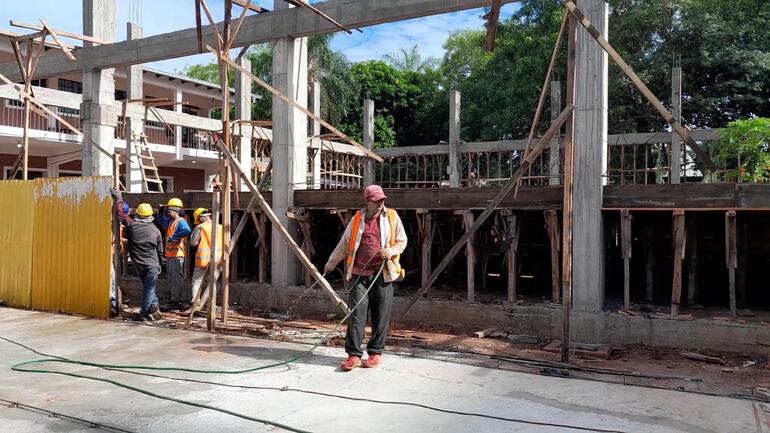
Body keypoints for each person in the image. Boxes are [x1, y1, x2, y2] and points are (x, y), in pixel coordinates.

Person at [324, 185, 407, 371]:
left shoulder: (392, 217)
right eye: (376, 201)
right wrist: (330, 264)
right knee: (357, 315)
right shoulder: (357, 219)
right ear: (367, 201)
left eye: (382, 200)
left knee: (381, 314)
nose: (380, 204)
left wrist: (390, 251)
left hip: (383, 273)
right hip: (359, 274)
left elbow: (402, 241)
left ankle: (375, 352)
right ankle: (353, 355)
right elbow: (344, 245)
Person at [111, 189, 164, 321]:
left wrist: (119, 197)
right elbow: (160, 250)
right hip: (152, 264)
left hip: (139, 263)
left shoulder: (132, 225)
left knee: (148, 288)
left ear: (138, 214)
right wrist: (161, 262)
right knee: (149, 288)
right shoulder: (155, 230)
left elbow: (122, 214)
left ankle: (150, 309)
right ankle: (148, 310)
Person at [188, 207, 223, 310]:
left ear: (201, 218)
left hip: (202, 260)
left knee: (197, 281)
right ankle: (211, 304)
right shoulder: (221, 227)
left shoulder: (200, 227)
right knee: (213, 281)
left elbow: (193, 243)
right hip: (218, 260)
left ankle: (196, 304)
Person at [163, 198, 191, 309]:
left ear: (176, 211)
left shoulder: (181, 221)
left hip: (176, 255)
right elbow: (162, 220)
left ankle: (177, 300)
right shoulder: (171, 221)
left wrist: (174, 237)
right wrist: (161, 212)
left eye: (169, 210)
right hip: (170, 255)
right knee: (171, 278)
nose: (168, 212)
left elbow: (187, 231)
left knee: (176, 278)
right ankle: (175, 298)